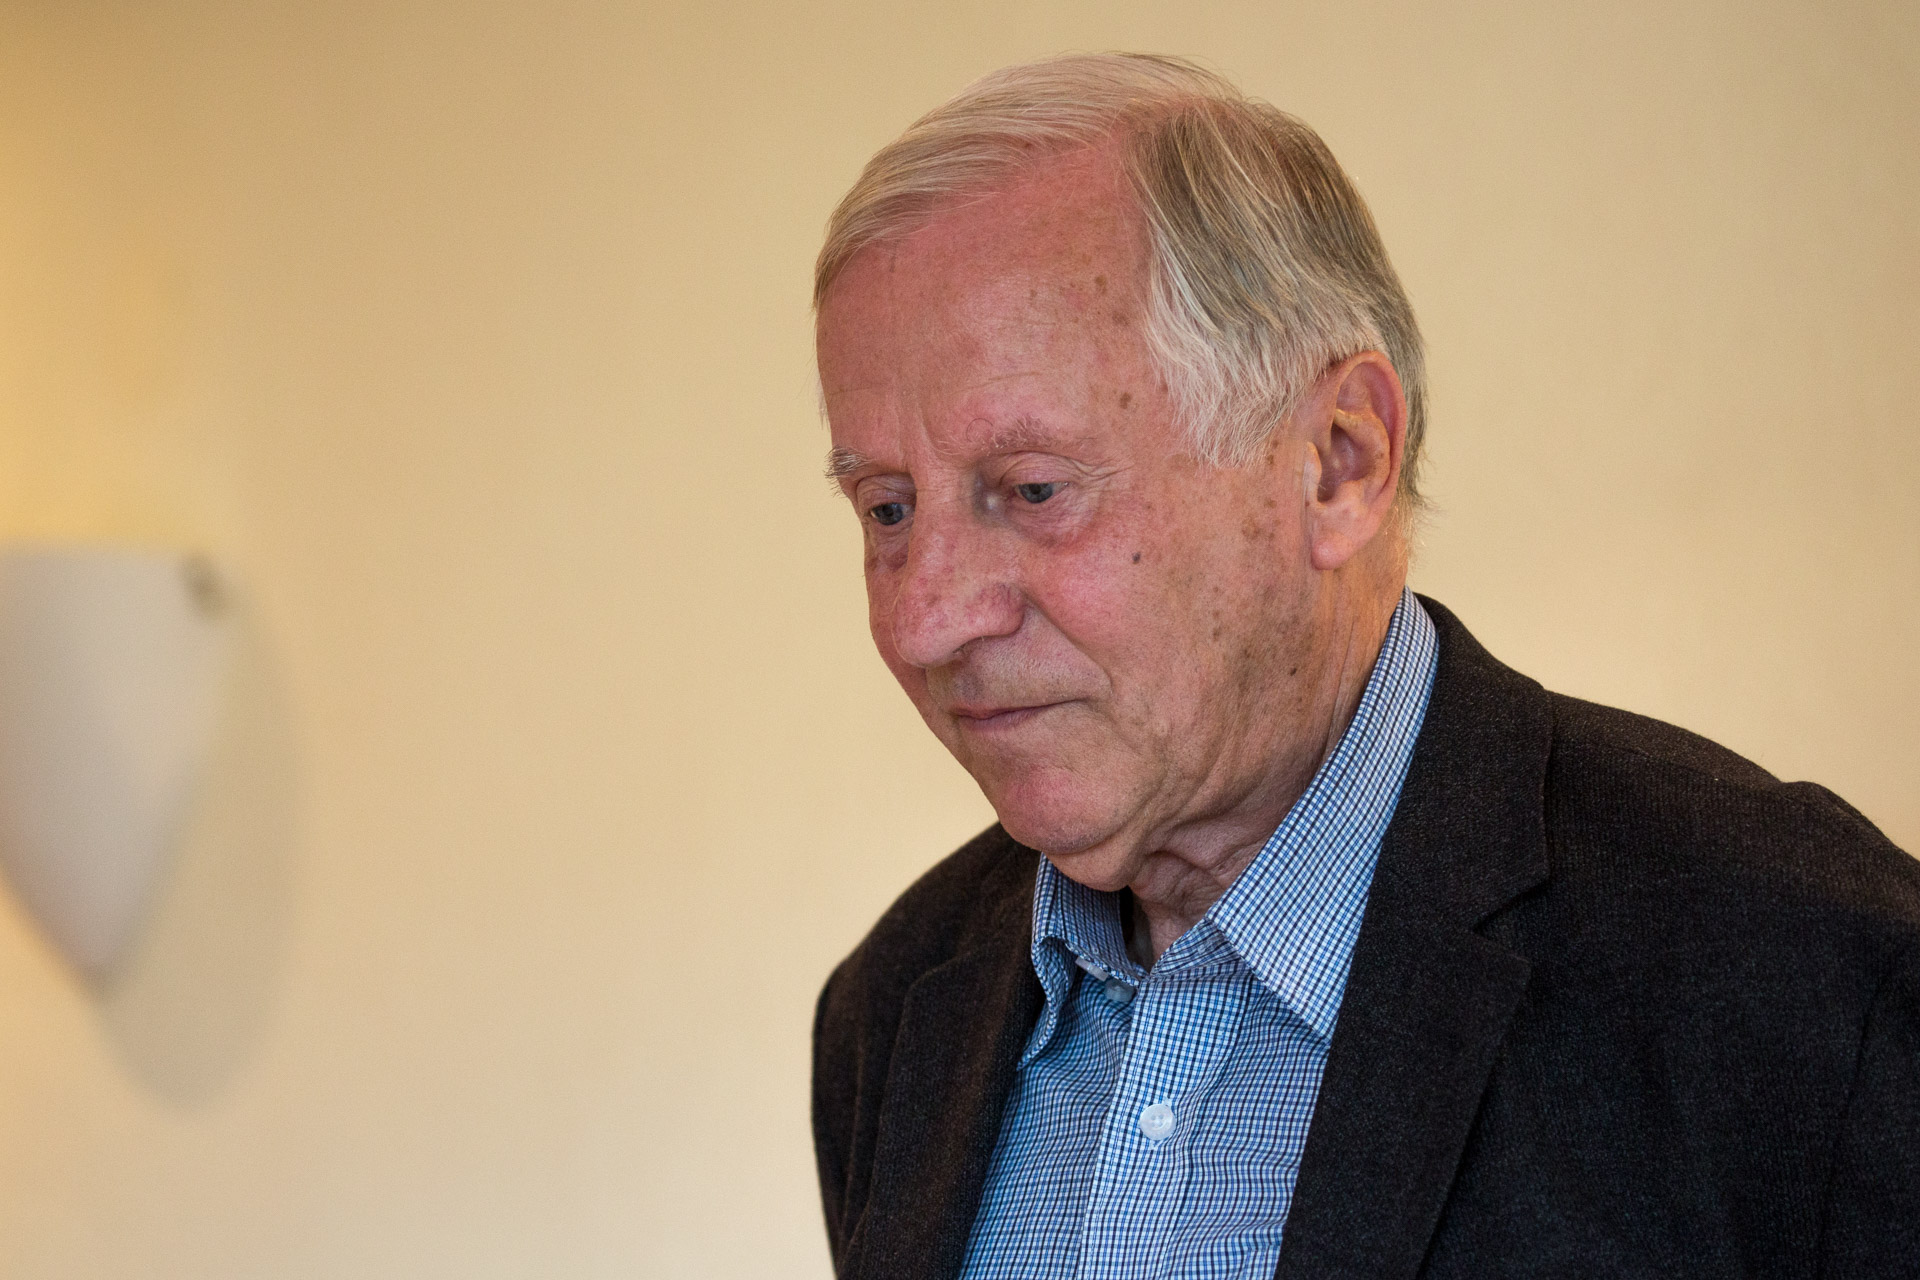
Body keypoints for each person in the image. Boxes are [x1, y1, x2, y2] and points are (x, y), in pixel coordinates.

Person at [808, 53, 1920, 1280]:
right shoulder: (893, 1009)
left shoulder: (1812, 978)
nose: (926, 622)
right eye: (888, 507)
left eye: (1031, 489)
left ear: (1340, 461)